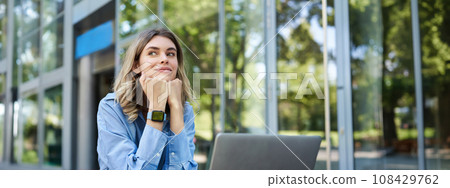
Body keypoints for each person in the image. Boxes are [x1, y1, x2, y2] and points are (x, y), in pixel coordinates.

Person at [96, 28, 198, 170]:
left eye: (170, 54)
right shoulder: (112, 107)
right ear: (136, 65)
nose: (164, 59)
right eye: (152, 53)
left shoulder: (184, 111)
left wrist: (176, 107)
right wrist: (157, 106)